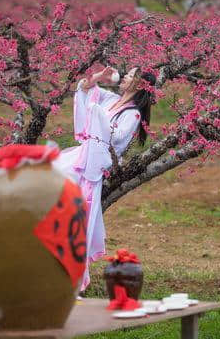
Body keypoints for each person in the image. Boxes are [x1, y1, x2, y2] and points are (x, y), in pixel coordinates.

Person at [52, 65, 155, 292]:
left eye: (130, 75)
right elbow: (85, 90)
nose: (125, 76)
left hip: (96, 163)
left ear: (138, 84)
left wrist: (97, 115)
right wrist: (97, 78)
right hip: (83, 155)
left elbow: (116, 140)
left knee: (68, 198)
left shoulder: (132, 113)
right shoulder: (111, 99)